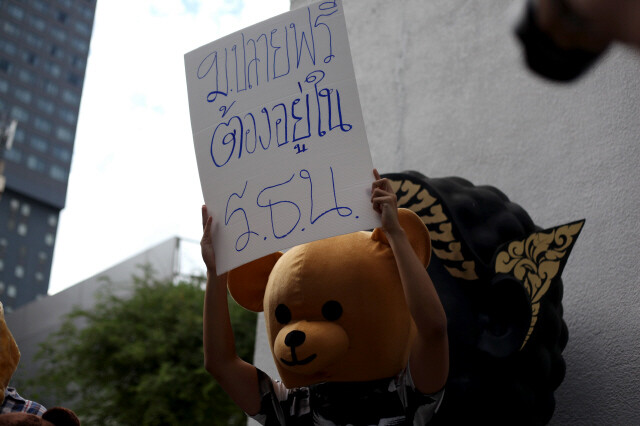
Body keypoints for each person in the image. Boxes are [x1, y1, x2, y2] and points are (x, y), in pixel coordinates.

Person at [200, 169, 449, 424]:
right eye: (285, 318)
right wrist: (216, 271)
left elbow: (433, 329)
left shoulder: (405, 392)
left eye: (331, 312)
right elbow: (220, 363)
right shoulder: (293, 404)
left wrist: (396, 236)